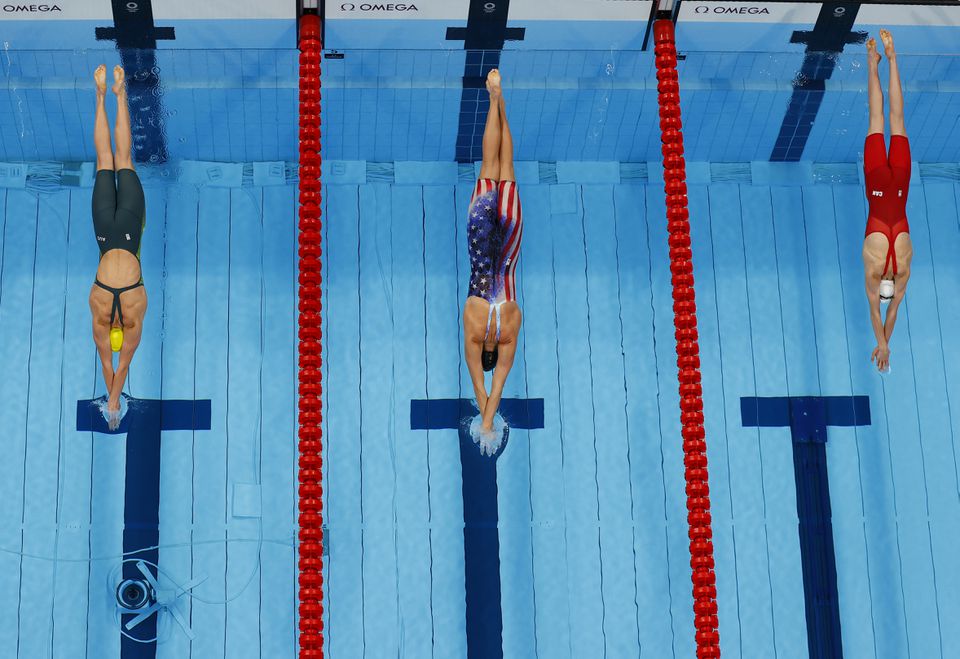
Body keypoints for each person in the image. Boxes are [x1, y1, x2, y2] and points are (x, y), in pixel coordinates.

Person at [462, 69, 523, 449]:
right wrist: (483, 423)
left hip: (510, 245)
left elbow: (497, 384)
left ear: (494, 353)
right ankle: (493, 99)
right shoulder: (471, 327)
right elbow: (482, 383)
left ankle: (501, 101)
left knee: (507, 169)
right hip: (481, 243)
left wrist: (491, 422)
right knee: (489, 166)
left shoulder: (510, 329)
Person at [88, 64, 147, 427]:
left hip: (112, 231)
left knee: (108, 162)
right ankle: (114, 93)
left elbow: (117, 364)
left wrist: (114, 403)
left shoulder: (124, 311)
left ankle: (104, 95)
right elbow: (116, 364)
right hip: (112, 231)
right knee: (116, 161)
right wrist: (112, 401)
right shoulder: (119, 312)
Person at [862, 30, 911, 374]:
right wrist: (881, 343)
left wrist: (886, 344)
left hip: (900, 186)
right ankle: (872, 62)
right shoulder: (872, 267)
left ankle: (892, 59)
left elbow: (891, 311)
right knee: (876, 120)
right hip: (878, 185)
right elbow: (877, 312)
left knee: (897, 122)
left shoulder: (905, 268)